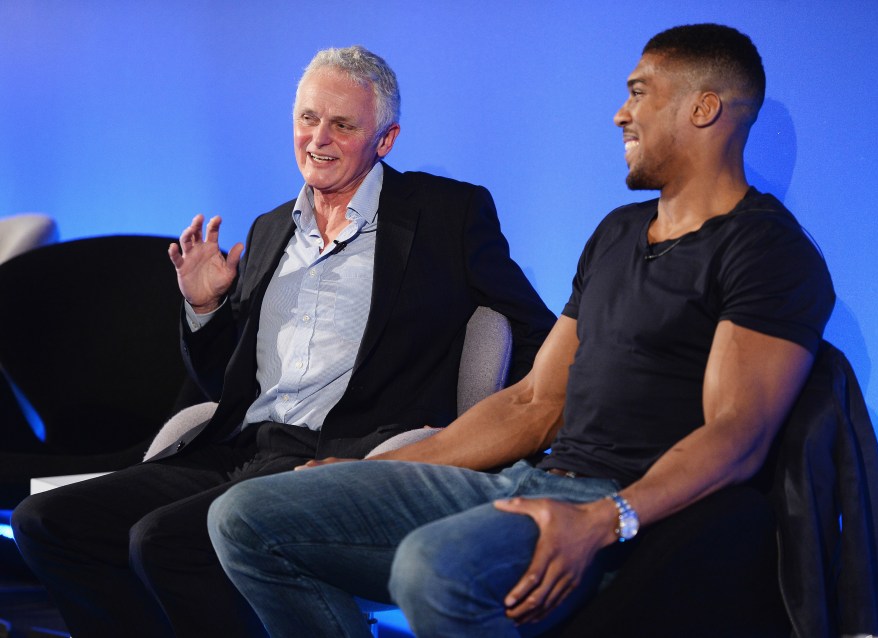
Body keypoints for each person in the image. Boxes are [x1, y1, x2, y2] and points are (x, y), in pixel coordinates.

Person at [209, 24, 835, 637]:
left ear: (704, 108)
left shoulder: (765, 250)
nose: (621, 113)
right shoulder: (617, 232)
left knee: (432, 567)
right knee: (244, 516)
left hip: (620, 505)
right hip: (530, 479)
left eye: (641, 93)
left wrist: (602, 520)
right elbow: (536, 401)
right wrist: (372, 470)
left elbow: (738, 435)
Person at [11, 46, 554, 638]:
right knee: (46, 521)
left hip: (348, 451)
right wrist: (206, 307)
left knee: (162, 539)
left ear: (386, 139)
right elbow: (225, 383)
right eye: (307, 118)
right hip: (242, 446)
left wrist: (495, 437)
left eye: (342, 125)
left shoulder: (446, 214)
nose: (317, 138)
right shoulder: (271, 229)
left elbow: (534, 331)